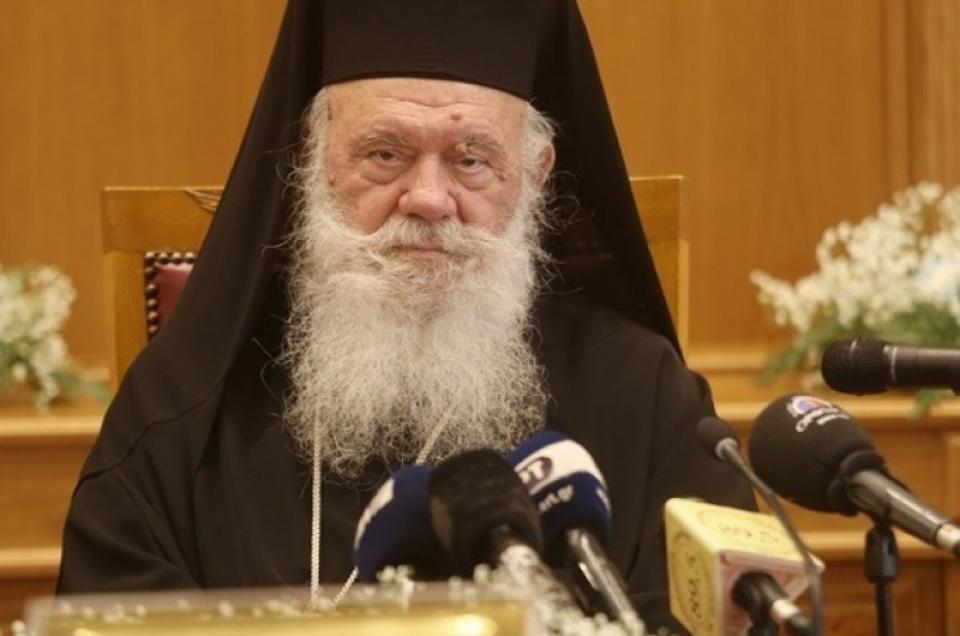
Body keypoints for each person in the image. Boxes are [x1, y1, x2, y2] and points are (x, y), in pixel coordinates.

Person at [57, 1, 754, 631]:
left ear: (535, 174)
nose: (428, 199)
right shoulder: (187, 409)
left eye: (471, 160)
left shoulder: (642, 396)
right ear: (311, 158)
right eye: (385, 154)